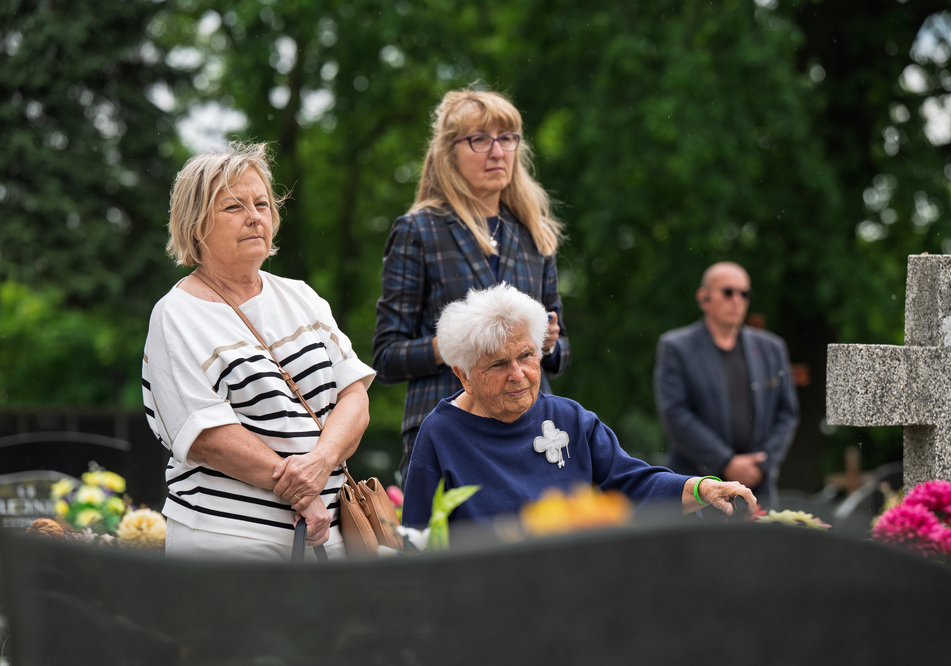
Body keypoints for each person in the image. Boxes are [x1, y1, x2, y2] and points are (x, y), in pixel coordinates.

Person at [142, 142, 376, 560]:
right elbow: (207, 437)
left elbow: (354, 396)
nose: (254, 218)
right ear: (196, 225)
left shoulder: (302, 297)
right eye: (233, 207)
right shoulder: (175, 315)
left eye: (262, 204)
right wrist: (303, 492)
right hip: (227, 540)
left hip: (330, 534)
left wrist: (321, 461)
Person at [401, 284, 756, 528]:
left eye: (527, 355)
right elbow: (420, 540)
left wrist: (701, 488)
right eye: (497, 364)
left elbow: (631, 484)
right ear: (463, 375)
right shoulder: (440, 434)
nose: (517, 374)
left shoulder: (570, 419)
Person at [373, 87, 570, 489]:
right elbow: (386, 357)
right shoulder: (418, 231)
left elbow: (560, 355)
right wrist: (462, 344)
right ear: (450, 153)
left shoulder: (535, 235)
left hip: (533, 433)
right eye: (479, 139)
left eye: (508, 138)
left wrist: (548, 341)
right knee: (459, 553)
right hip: (448, 432)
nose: (497, 151)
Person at [653, 262, 799, 508]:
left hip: (758, 490)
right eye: (728, 292)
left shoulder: (772, 349)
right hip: (697, 488)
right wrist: (726, 462)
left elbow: (787, 413)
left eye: (744, 293)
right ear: (704, 297)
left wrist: (762, 465)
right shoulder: (676, 347)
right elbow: (675, 413)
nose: (737, 300)